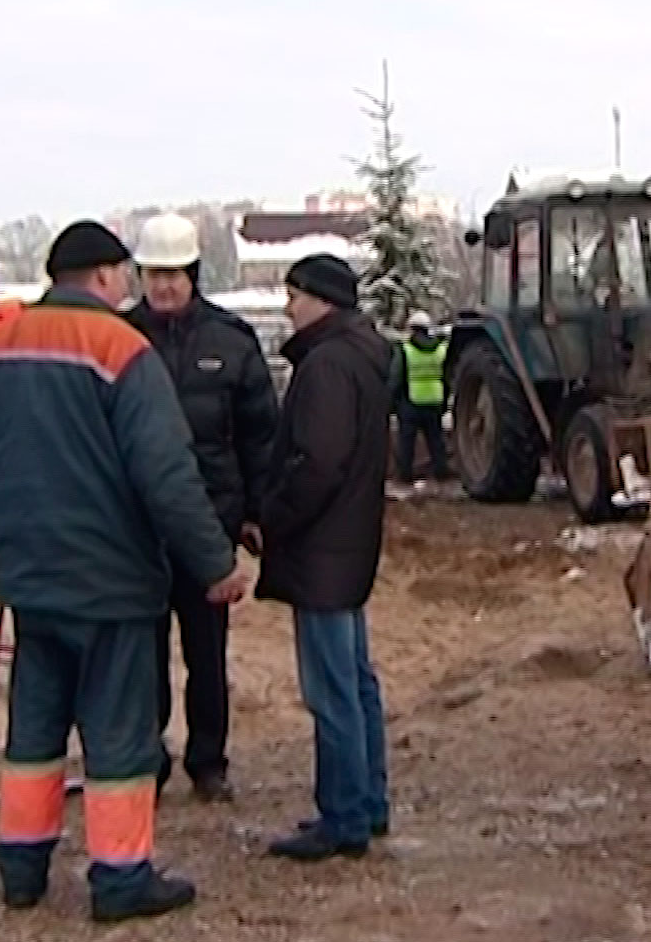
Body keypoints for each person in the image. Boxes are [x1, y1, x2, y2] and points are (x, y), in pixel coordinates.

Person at [0, 219, 252, 924]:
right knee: (119, 737)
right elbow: (166, 476)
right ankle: (120, 877)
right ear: (107, 278)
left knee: (34, 732)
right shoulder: (121, 349)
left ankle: (21, 867)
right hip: (112, 586)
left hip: (32, 584)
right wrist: (215, 563)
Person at [122, 211, 279, 804]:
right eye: (154, 274)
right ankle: (148, 758)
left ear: (193, 274)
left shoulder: (230, 341)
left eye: (174, 275)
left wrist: (255, 511)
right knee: (143, 651)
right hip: (138, 527)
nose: (164, 286)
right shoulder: (120, 339)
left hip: (210, 524)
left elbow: (260, 434)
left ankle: (208, 761)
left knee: (206, 653)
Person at [256, 253, 393, 861]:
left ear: (323, 300)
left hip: (322, 551)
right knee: (354, 681)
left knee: (333, 688)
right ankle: (367, 801)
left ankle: (345, 815)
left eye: (295, 295)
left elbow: (318, 462)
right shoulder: (357, 356)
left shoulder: (328, 366)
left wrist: (274, 517)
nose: (288, 307)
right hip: (346, 546)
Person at [387, 310, 449, 484]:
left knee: (407, 441)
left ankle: (405, 475)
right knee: (436, 440)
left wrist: (390, 400)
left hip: (410, 402)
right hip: (434, 400)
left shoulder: (405, 349)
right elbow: (446, 375)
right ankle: (441, 472)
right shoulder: (441, 349)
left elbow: (396, 376)